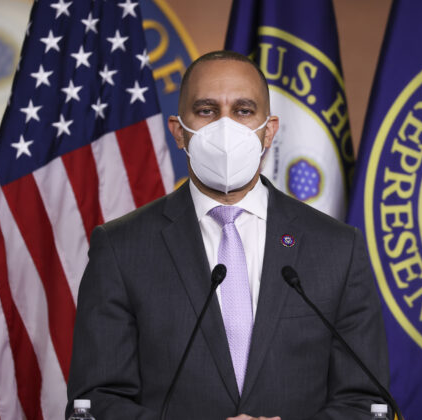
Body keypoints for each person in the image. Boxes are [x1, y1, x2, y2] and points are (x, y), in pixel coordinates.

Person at [66, 50, 389, 420]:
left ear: (269, 130)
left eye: (243, 110)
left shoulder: (336, 249)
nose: (225, 126)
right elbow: (95, 403)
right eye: (206, 110)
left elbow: (367, 402)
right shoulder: (121, 248)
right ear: (178, 132)